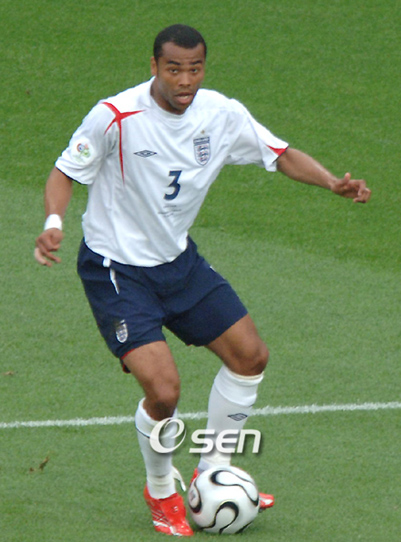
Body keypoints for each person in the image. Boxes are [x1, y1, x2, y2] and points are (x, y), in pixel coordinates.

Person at [34, 24, 371, 536]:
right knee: (164, 391)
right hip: (116, 270)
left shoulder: (221, 114)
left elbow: (279, 153)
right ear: (154, 66)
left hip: (179, 262)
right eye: (174, 69)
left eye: (194, 69)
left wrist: (330, 183)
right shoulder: (116, 117)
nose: (185, 80)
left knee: (250, 356)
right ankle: (160, 491)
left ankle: (213, 470)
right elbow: (65, 172)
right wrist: (54, 222)